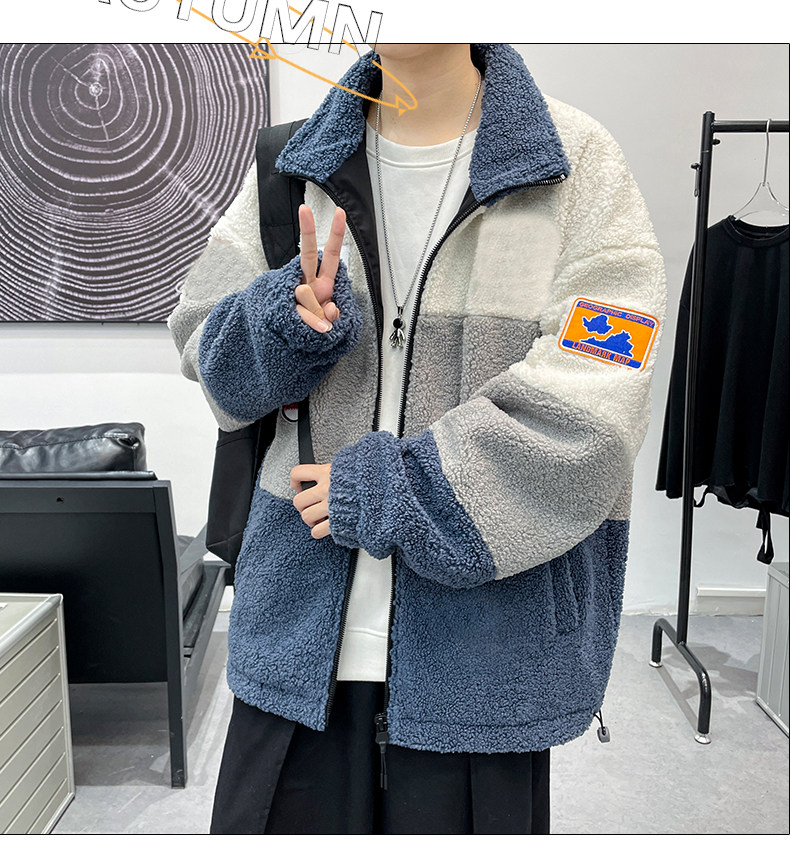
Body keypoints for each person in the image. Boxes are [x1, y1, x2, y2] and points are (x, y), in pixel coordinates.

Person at [167, 42, 667, 834]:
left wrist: (398, 492)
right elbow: (205, 348)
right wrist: (281, 324)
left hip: (487, 649)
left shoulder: (576, 165)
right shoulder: (290, 165)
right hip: (297, 636)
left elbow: (597, 402)